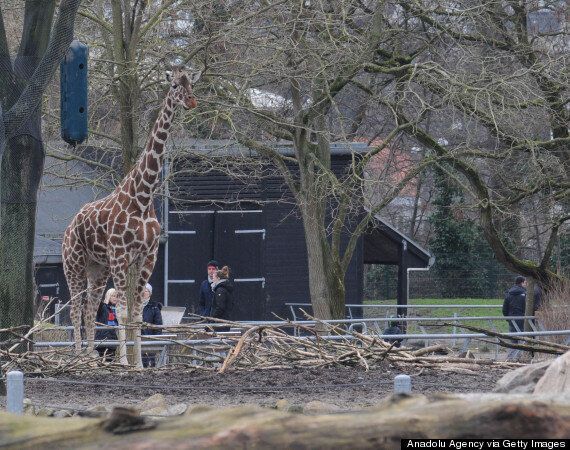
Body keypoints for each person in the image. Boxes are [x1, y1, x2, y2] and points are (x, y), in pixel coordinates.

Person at [502, 275, 527, 360]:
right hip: (523, 319)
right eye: (525, 282)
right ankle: (521, 358)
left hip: (511, 319)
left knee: (513, 339)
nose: (526, 284)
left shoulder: (509, 293)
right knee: (524, 338)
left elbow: (504, 309)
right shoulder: (526, 294)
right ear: (522, 282)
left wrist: (508, 318)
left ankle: (511, 358)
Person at [141, 283, 163, 367]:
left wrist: (155, 341)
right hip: (138, 339)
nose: (144, 292)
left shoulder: (154, 308)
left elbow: (158, 326)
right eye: (142, 290)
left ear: (150, 293)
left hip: (150, 339)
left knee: (150, 363)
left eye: (146, 291)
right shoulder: (135, 307)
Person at [95, 288, 119, 360]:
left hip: (112, 340)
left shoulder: (116, 309)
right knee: (104, 362)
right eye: (113, 296)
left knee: (110, 362)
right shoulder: (103, 307)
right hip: (103, 339)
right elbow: (97, 302)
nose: (115, 298)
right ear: (108, 296)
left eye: (116, 296)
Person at [211, 266, 234, 332]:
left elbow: (220, 307)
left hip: (220, 322)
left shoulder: (220, 290)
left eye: (213, 277)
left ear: (218, 278)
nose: (212, 279)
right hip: (224, 320)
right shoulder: (224, 288)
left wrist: (212, 319)